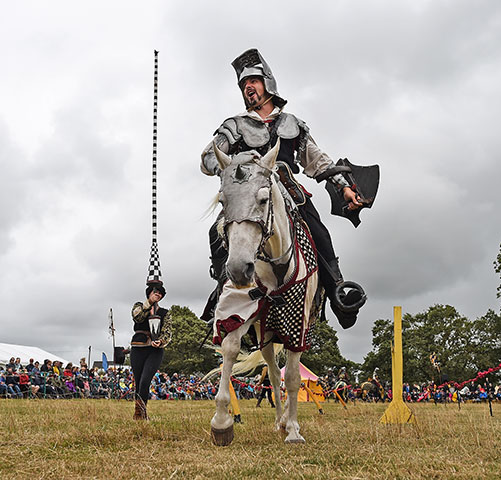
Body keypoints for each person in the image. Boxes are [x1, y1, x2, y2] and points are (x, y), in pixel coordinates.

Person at [200, 48, 366, 333]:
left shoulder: (291, 123)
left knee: (319, 232)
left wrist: (346, 189)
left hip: (288, 191)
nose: (248, 87)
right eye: (243, 84)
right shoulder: (235, 125)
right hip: (249, 195)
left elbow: (317, 161)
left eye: (253, 81)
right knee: (217, 232)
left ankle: (338, 292)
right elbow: (207, 159)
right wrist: (233, 168)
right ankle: (222, 292)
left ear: (268, 83)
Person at [130, 282, 173, 420]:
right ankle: (139, 414)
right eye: (155, 292)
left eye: (160, 293)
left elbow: (167, 332)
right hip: (138, 347)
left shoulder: (165, 313)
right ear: (149, 293)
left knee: (145, 380)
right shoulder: (139, 306)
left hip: (155, 350)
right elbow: (137, 317)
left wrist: (161, 341)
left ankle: (142, 412)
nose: (157, 294)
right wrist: (149, 303)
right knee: (138, 381)